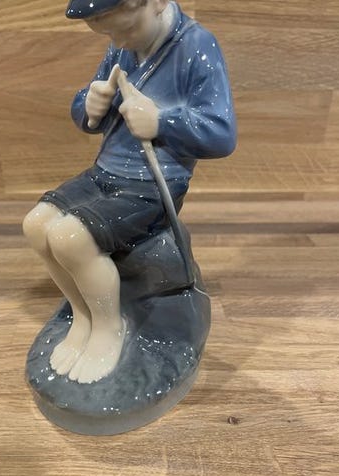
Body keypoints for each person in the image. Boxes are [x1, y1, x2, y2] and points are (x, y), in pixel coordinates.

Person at [23, 0, 237, 384]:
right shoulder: (123, 44)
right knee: (37, 224)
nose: (118, 42)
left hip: (153, 183)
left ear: (155, 3)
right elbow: (92, 109)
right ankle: (82, 314)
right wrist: (90, 105)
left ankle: (110, 328)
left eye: (126, 30)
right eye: (108, 33)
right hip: (106, 171)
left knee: (70, 238)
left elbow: (221, 134)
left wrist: (162, 122)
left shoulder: (197, 46)